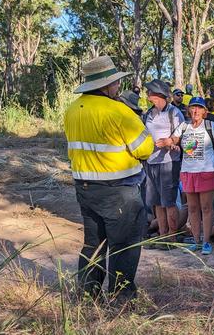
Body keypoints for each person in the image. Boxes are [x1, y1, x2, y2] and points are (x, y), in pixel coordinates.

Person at [64, 55, 154, 300]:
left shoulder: (72, 110)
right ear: (104, 85)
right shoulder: (119, 111)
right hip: (119, 191)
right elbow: (145, 149)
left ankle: (87, 294)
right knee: (124, 245)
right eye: (115, 82)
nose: (118, 87)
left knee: (94, 244)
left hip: (85, 188)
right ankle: (121, 297)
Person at [160, 97, 214, 255]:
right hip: (188, 171)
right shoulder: (184, 126)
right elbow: (174, 139)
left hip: (207, 171)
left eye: (199, 108)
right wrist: (165, 142)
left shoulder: (210, 125)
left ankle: (206, 242)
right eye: (193, 107)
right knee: (193, 208)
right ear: (189, 110)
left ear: (204, 112)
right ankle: (196, 241)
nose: (195, 111)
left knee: (206, 208)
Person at [143, 79, 185, 247]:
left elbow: (181, 133)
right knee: (157, 202)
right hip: (151, 162)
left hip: (168, 162)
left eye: (150, 93)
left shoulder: (174, 113)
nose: (147, 95)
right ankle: (162, 235)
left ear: (158, 94)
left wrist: (169, 141)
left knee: (168, 201)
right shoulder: (148, 114)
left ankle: (172, 237)